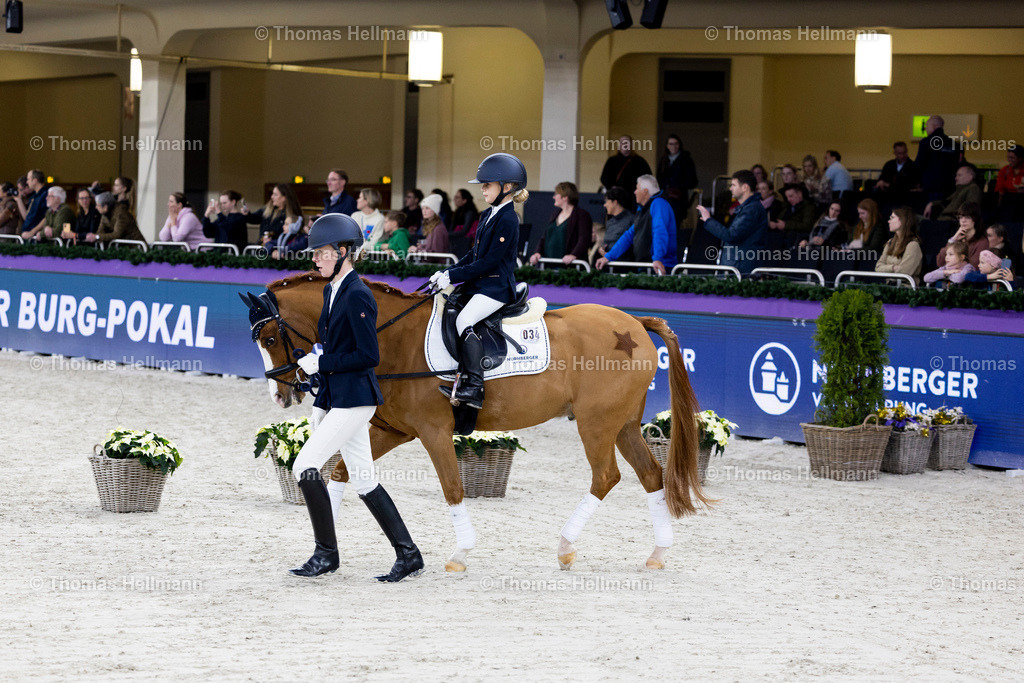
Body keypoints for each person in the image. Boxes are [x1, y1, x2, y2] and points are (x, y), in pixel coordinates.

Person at [290, 213, 423, 582]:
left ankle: (326, 554)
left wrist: (321, 362)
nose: (315, 258)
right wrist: (320, 404)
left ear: (344, 251)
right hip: (340, 397)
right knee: (364, 479)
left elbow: (368, 356)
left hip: (356, 399)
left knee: (304, 467)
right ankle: (409, 554)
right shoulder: (332, 290)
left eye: (321, 252)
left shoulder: (358, 294)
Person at [430, 153, 528, 409]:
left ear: (506, 188)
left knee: (464, 320)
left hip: (495, 288)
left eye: (487, 185)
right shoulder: (488, 215)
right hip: (480, 284)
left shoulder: (508, 219)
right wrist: (448, 271)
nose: (483, 189)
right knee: (449, 308)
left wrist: (454, 276)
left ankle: (474, 386)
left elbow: (490, 262)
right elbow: (473, 255)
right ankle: (455, 372)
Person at [596, 175, 676, 274]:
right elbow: (629, 235)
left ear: (645, 191)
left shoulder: (659, 204)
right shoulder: (642, 209)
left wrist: (658, 258)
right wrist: (609, 256)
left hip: (659, 267)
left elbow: (660, 232)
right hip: (646, 266)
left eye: (637, 188)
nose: (634, 192)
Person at [695, 169, 768, 274]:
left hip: (741, 268)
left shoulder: (751, 210)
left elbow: (731, 236)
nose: (730, 188)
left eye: (733, 185)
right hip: (739, 265)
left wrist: (708, 220)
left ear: (745, 187)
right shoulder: (749, 208)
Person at [529, 181, 593, 266]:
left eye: (556, 194)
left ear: (565, 197)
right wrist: (537, 252)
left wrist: (573, 255)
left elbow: (584, 239)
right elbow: (544, 237)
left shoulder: (582, 215)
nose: (553, 197)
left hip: (568, 266)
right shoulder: (555, 214)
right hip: (548, 264)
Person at [916, 115, 963, 200]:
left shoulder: (926, 142)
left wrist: (918, 181)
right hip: (950, 186)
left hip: (930, 187)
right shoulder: (953, 144)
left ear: (934, 126)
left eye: (927, 126)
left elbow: (919, 164)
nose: (926, 129)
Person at [875, 206, 923, 283]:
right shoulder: (890, 242)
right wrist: (893, 268)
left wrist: (886, 269)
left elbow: (904, 274)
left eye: (892, 218)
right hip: (889, 287)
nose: (888, 221)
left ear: (902, 221)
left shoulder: (913, 245)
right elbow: (878, 268)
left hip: (905, 290)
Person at [935, 203, 988, 269]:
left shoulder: (982, 242)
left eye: (967, 217)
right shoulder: (957, 239)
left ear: (975, 219)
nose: (963, 221)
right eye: (960, 217)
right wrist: (953, 240)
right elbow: (940, 262)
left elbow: (973, 267)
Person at [600, 135, 651, 204]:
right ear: (619, 145)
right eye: (622, 142)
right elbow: (604, 178)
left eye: (627, 142)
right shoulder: (611, 161)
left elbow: (648, 178)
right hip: (617, 199)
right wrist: (612, 187)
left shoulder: (639, 161)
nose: (624, 145)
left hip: (633, 199)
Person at [655, 134, 698, 204]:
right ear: (667, 146)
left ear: (679, 145)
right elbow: (659, 179)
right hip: (664, 198)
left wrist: (678, 187)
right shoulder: (663, 160)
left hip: (680, 200)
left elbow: (693, 181)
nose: (674, 146)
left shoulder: (686, 160)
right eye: (671, 144)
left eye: (676, 144)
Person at [599, 186, 634, 256]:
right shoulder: (609, 222)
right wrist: (601, 249)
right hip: (608, 263)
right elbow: (606, 243)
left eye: (606, 201)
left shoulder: (632, 220)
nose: (604, 205)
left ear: (615, 202)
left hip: (623, 264)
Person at [14, 170, 50, 235]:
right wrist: (19, 200)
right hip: (28, 235)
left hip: (37, 237)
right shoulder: (33, 197)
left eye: (28, 179)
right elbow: (27, 217)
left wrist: (32, 232)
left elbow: (48, 217)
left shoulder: (46, 195)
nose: (27, 182)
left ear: (35, 181)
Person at [450, 189, 479, 258]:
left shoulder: (470, 213)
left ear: (464, 200)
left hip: (464, 244)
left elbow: (465, 230)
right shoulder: (458, 211)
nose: (454, 199)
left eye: (457, 197)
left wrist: (447, 234)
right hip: (457, 243)